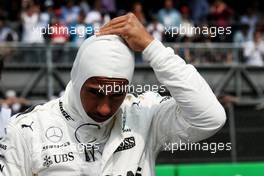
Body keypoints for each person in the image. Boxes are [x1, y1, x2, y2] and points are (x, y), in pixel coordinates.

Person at [0, 13, 226, 175]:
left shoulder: (144, 115)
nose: (104, 108)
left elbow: (210, 118)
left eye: (117, 94)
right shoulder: (26, 131)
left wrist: (152, 48)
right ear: (77, 79)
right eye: (95, 93)